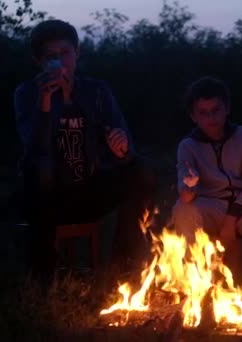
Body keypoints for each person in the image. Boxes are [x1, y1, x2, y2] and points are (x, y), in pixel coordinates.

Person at [14, 20, 157, 275]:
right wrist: (45, 102)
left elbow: (126, 150)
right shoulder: (27, 93)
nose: (61, 62)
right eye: (52, 57)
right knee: (40, 170)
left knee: (141, 169)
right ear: (40, 61)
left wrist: (121, 150)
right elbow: (36, 151)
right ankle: (44, 271)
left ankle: (121, 262)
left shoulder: (97, 91)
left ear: (77, 53)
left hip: (91, 189)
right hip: (49, 197)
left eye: (66, 53)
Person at [171, 77, 242, 296]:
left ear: (227, 109)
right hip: (209, 206)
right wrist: (189, 187)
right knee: (182, 210)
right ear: (193, 116)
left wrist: (231, 220)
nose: (211, 118)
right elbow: (185, 194)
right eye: (203, 112)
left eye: (215, 110)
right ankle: (197, 280)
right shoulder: (188, 146)